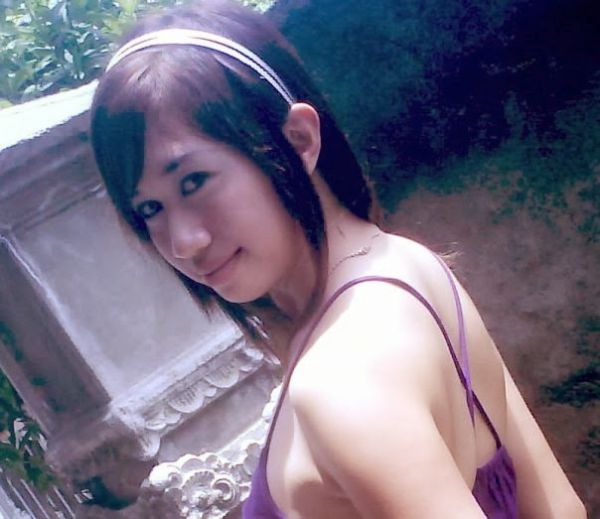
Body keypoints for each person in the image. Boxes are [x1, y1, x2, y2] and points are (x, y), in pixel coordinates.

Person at [90, 1, 586, 517]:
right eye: (150, 209)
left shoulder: (340, 380)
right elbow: (558, 508)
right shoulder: (408, 265)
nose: (182, 242)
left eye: (194, 181)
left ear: (298, 140)